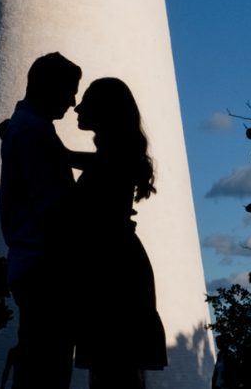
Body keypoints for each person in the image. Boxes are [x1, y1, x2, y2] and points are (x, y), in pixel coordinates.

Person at [69, 77, 167, 388]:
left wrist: (46, 147)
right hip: (118, 268)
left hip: (114, 272)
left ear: (105, 110)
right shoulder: (115, 158)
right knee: (116, 371)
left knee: (113, 370)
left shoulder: (112, 160)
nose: (76, 107)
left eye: (87, 102)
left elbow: (98, 165)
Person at [0, 52, 85, 389]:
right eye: (70, 90)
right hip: (46, 271)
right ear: (48, 86)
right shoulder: (34, 131)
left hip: (30, 266)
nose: (73, 101)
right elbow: (53, 209)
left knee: (38, 366)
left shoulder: (26, 127)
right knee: (46, 372)